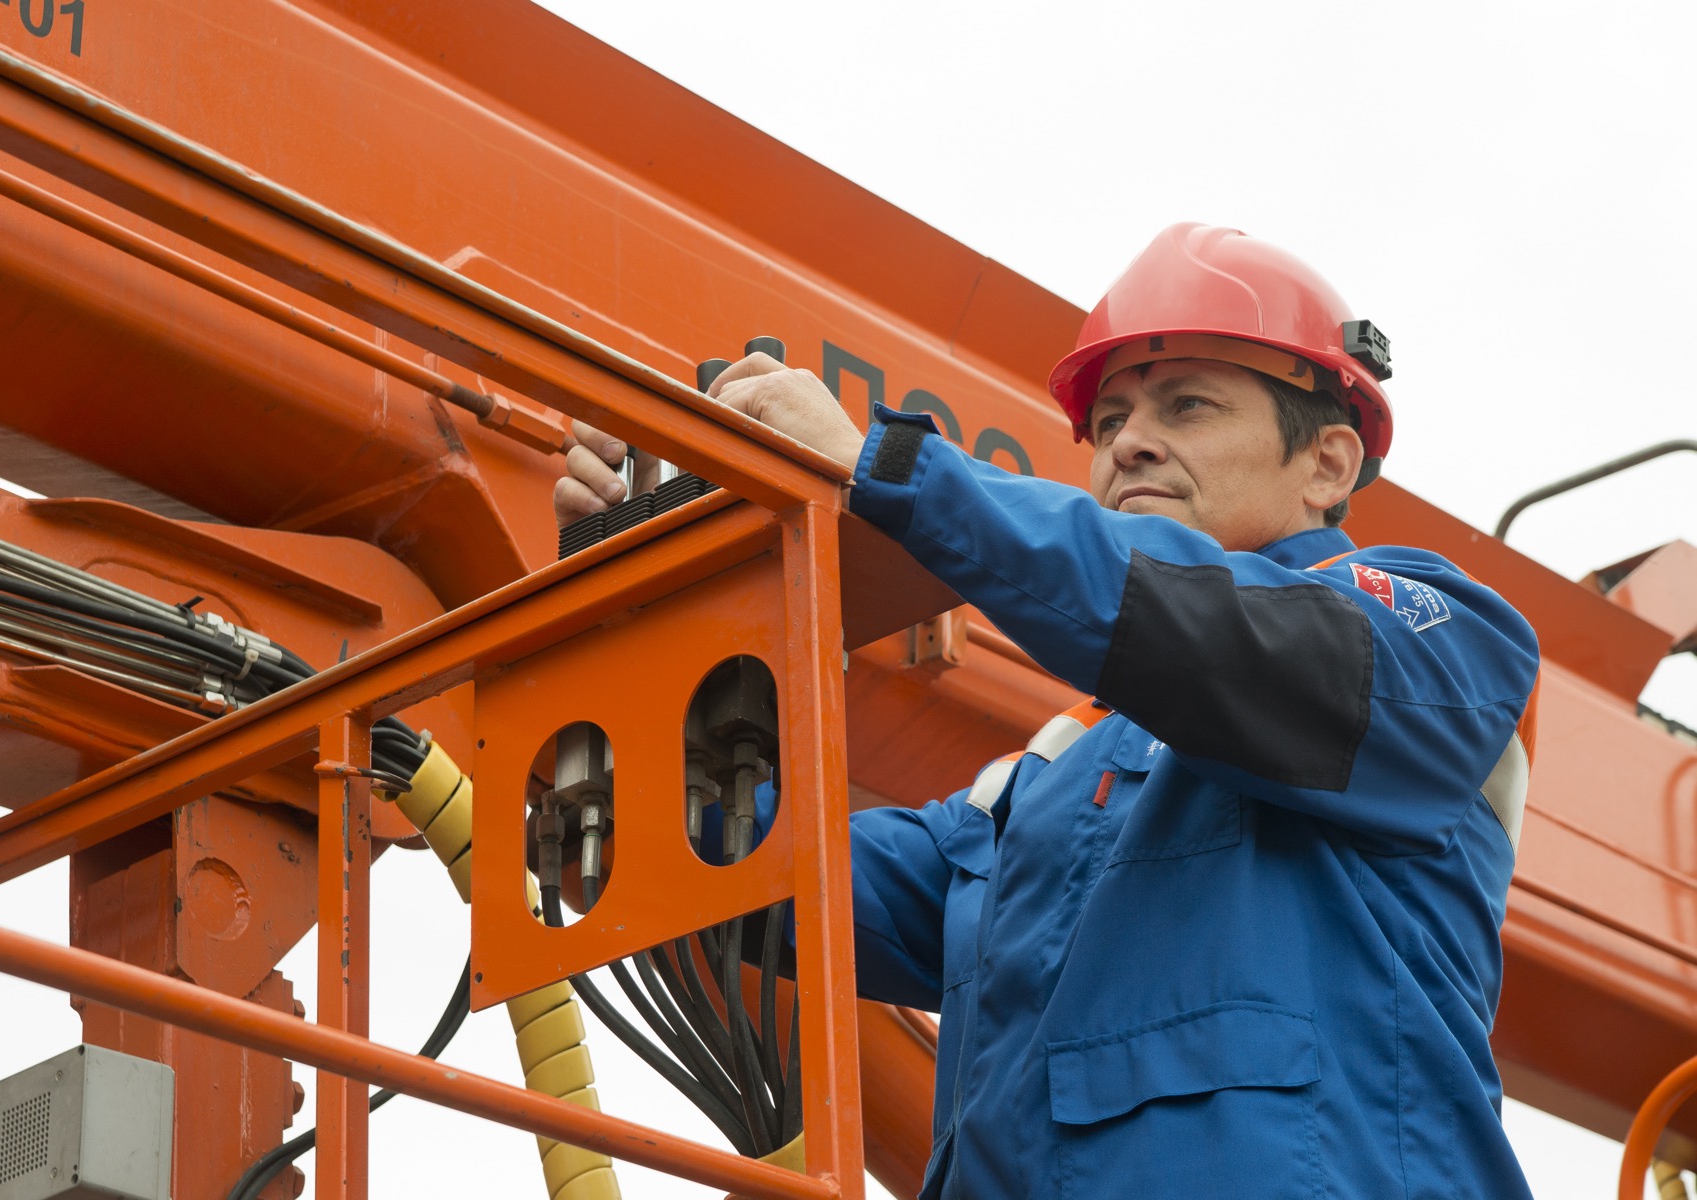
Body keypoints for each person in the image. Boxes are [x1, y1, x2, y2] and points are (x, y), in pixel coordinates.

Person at [555, 223, 1540, 1199]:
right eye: (1109, 422)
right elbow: (745, 871)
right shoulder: (1045, 787)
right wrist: (630, 593)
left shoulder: (1443, 640)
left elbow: (1225, 638)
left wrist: (887, 471)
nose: (1130, 444)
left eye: (1186, 404)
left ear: (1328, 464)